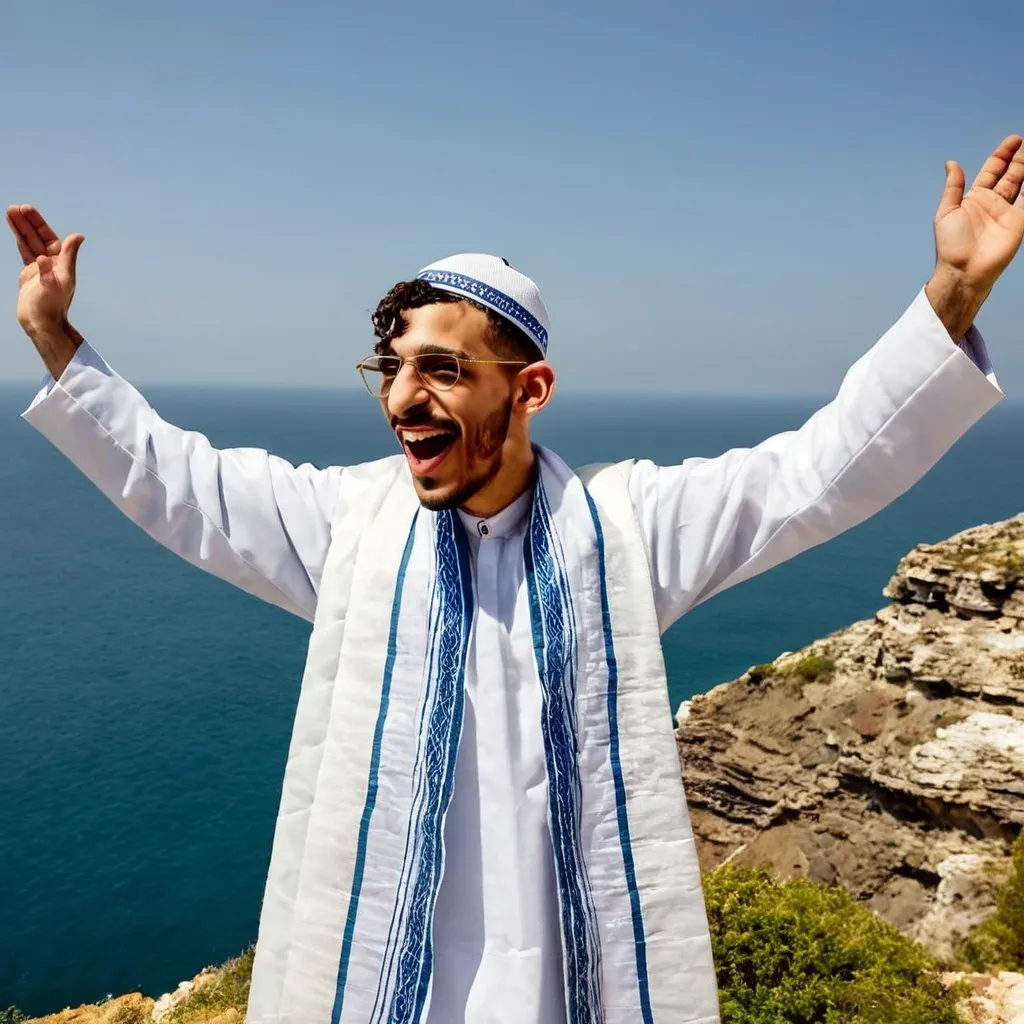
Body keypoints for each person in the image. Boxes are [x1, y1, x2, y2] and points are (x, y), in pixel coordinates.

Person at [8, 134, 1024, 1024]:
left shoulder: (626, 532)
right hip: (376, 986)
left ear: (528, 388)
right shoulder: (350, 527)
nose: (403, 398)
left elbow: (820, 470)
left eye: (442, 370)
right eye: (393, 368)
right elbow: (175, 480)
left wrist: (955, 294)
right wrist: (55, 336)